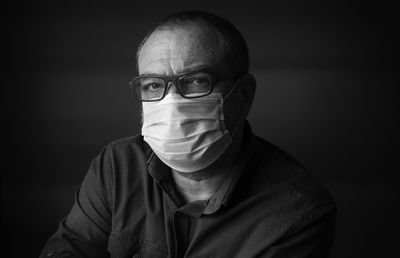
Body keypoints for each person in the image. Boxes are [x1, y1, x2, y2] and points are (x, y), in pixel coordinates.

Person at [40, 11, 336, 258]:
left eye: (195, 81)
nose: (172, 103)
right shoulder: (117, 166)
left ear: (243, 95)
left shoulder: (299, 212)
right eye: (154, 85)